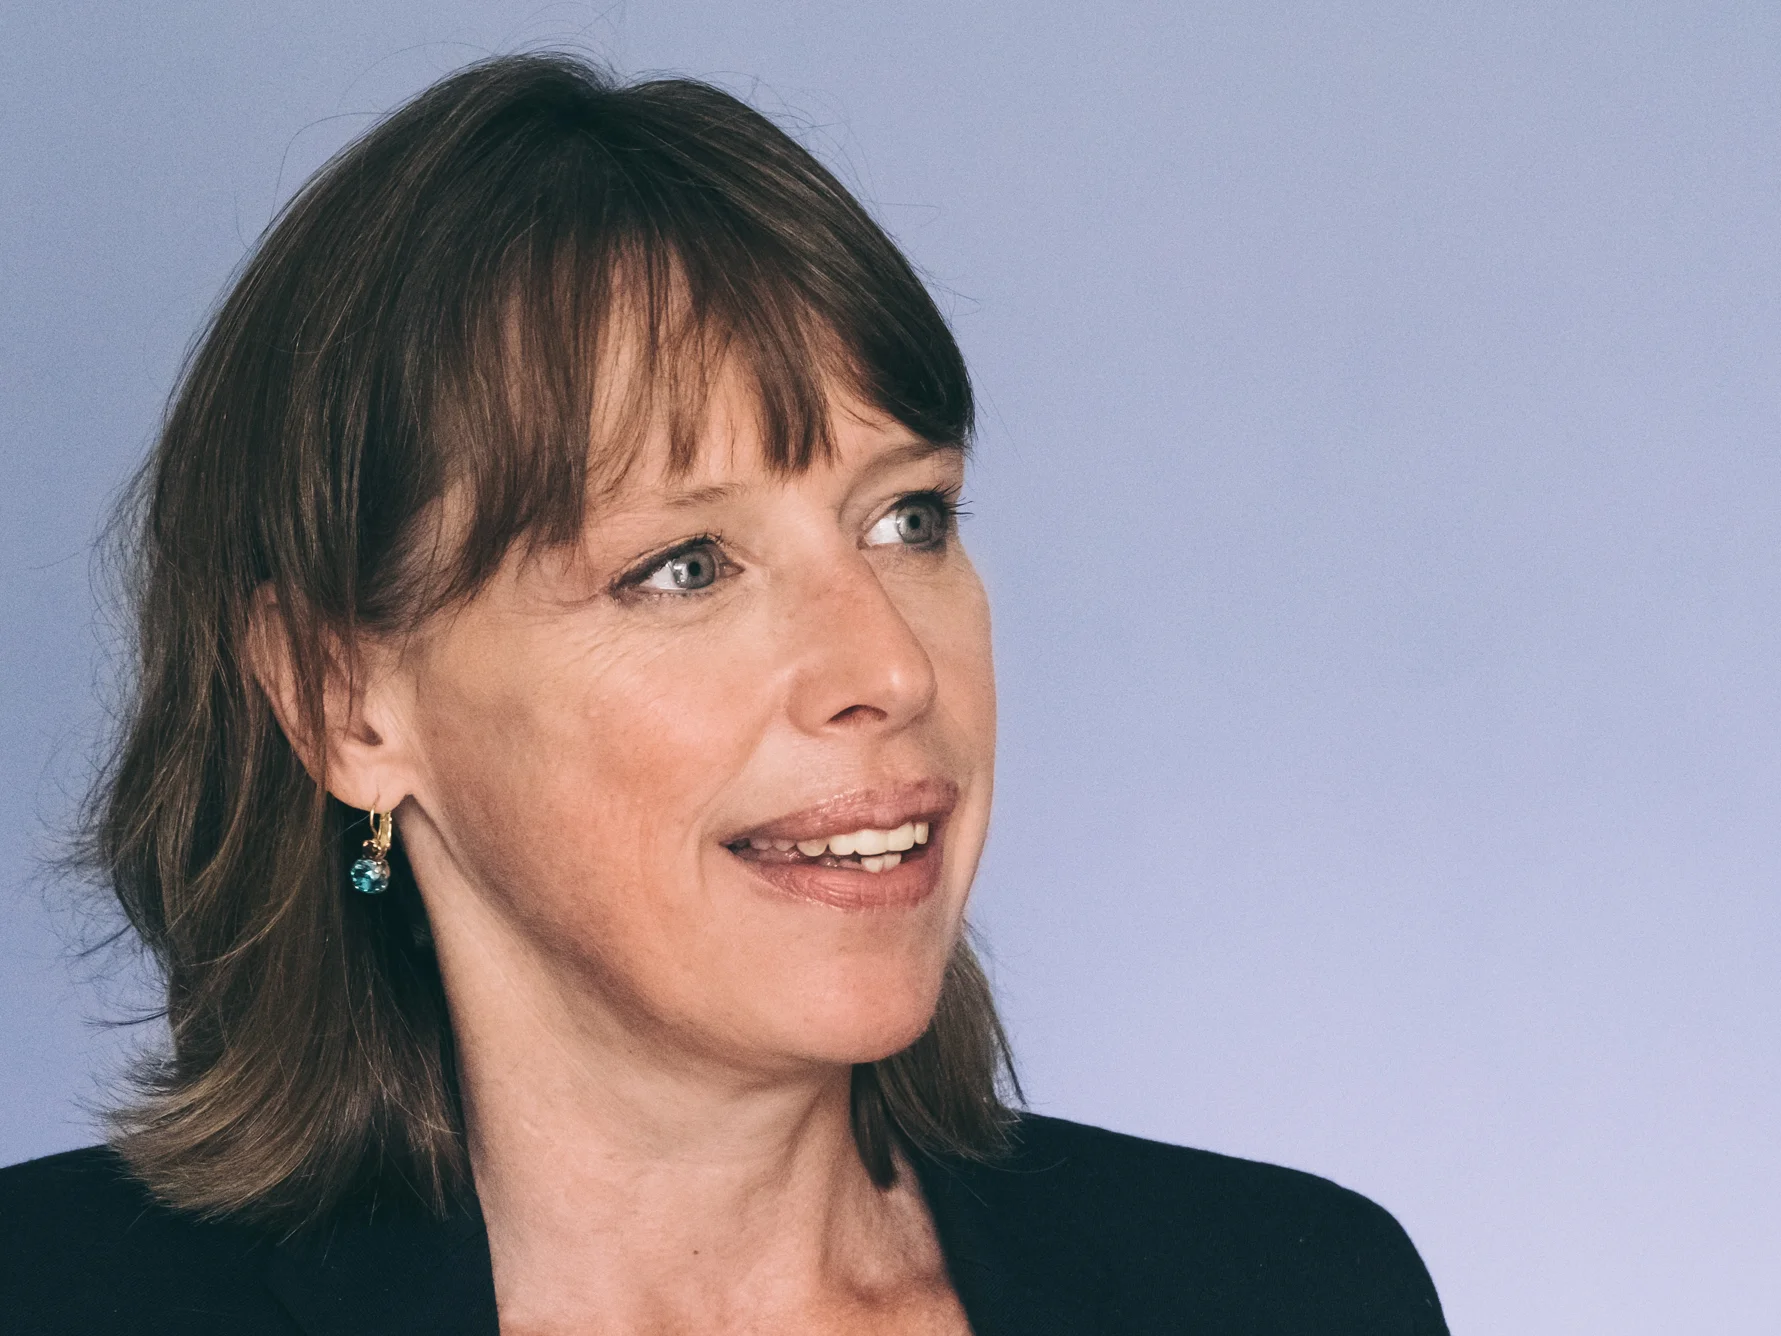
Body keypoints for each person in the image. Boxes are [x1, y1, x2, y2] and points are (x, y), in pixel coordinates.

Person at [0, 54, 1448, 1335]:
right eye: (685, 567)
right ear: (345, 707)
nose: (889, 666)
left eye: (909, 520)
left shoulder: (1293, 1293)